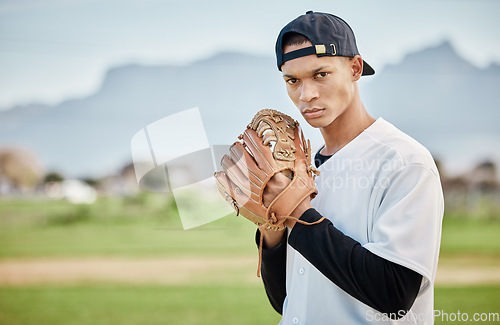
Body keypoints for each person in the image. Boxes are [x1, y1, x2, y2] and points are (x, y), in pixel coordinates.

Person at [257, 11, 444, 324]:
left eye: (321, 74)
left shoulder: (403, 161)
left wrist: (299, 216)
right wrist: (271, 230)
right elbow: (287, 301)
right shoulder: (298, 165)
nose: (306, 95)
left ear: (355, 68)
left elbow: (394, 294)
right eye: (293, 81)